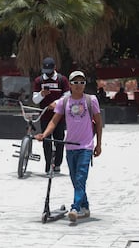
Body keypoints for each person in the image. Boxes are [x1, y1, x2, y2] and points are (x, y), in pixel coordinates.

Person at [35, 70, 103, 222]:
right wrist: (44, 134)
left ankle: (75, 208)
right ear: (70, 85)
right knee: (75, 179)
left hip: (85, 146)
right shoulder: (64, 102)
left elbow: (98, 123)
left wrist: (98, 144)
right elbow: (54, 121)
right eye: (75, 83)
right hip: (70, 146)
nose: (79, 86)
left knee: (81, 177)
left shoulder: (91, 100)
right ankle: (85, 206)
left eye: (82, 82)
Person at [32, 57, 70, 174]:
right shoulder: (39, 81)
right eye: (45, 72)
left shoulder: (62, 80)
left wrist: (57, 103)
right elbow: (35, 100)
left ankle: (57, 164)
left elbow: (67, 96)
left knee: (59, 140)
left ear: (54, 68)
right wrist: (42, 94)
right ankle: (48, 165)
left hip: (59, 116)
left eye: (49, 72)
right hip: (45, 116)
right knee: (46, 140)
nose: (47, 75)